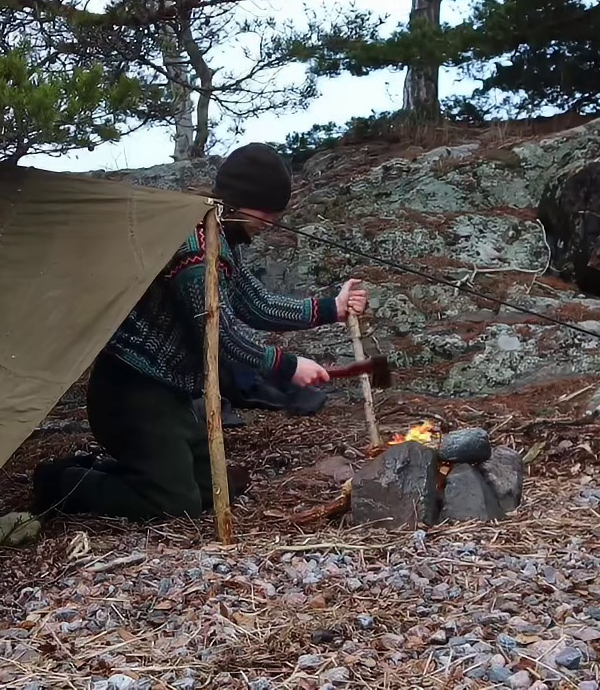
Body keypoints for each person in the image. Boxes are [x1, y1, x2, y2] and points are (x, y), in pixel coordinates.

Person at [30, 143, 367, 521]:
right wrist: (287, 366)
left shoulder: (220, 234)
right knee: (174, 502)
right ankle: (61, 483)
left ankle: (122, 473)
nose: (271, 222)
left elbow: (255, 304)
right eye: (268, 211)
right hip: (132, 393)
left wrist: (331, 308)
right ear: (242, 201)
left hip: (171, 395)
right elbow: (218, 334)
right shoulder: (197, 246)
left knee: (211, 488)